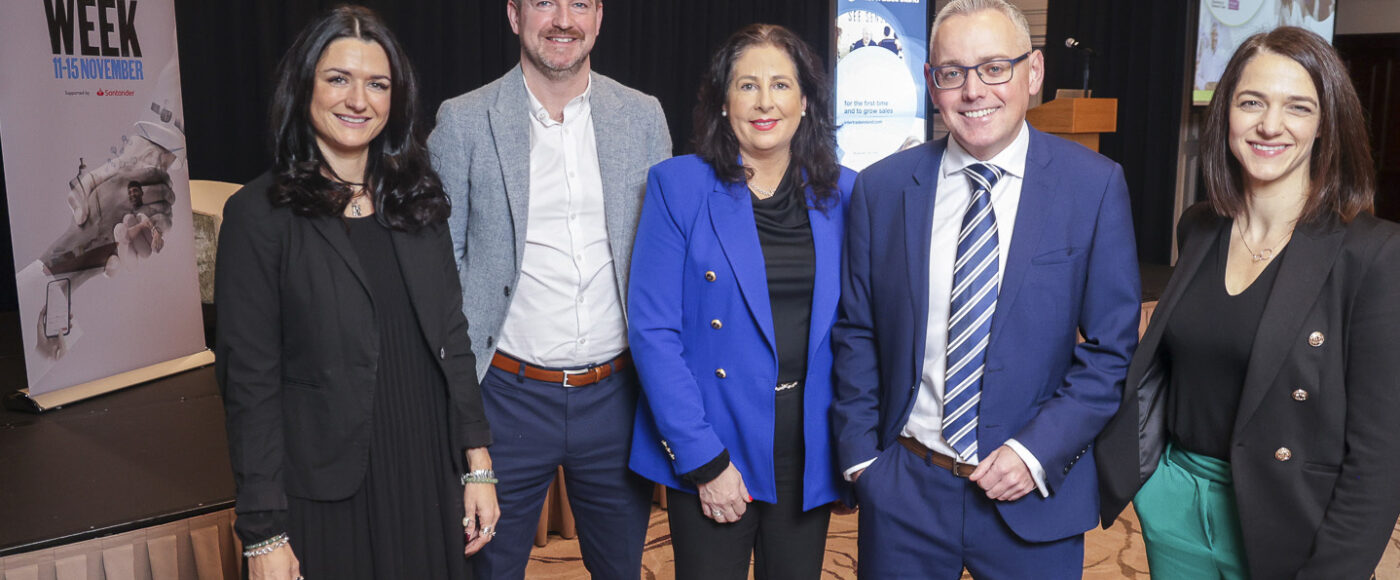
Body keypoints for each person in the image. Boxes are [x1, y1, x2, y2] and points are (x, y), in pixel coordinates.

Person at [830, 0, 1141, 576]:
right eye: (953, 73)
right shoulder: (882, 189)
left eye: (996, 67)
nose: (975, 90)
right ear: (932, 84)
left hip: (1032, 492)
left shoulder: (1093, 187)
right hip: (905, 492)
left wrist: (1035, 453)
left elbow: (1110, 353)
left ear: (1035, 72)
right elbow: (857, 330)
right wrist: (861, 462)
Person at [1096, 26, 1400, 579]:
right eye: (1251, 102)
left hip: (1286, 518)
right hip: (1175, 503)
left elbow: (1380, 458)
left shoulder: (1373, 253)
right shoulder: (1201, 228)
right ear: (1226, 115)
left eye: (1298, 107)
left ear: (1325, 124)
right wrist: (1156, 486)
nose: (1269, 125)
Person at [216, 6, 497, 579]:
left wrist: (477, 464)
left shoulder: (418, 200)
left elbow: (453, 336)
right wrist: (263, 532)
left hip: (426, 475)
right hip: (326, 491)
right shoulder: (258, 216)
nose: (358, 100)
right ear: (305, 87)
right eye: (338, 79)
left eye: (377, 84)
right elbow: (250, 384)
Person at [426, 0, 671, 577]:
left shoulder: (642, 117)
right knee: (488, 570)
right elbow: (440, 273)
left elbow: (665, 259)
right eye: (544, 2)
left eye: (579, 3)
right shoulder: (464, 121)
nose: (563, 19)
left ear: (600, 16)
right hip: (506, 398)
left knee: (621, 568)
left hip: (616, 395)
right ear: (514, 16)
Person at [627, 24, 855, 580]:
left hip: (808, 443)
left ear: (806, 101)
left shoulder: (847, 194)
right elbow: (654, 332)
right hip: (715, 437)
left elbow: (862, 327)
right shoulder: (677, 186)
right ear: (723, 101)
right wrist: (704, 460)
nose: (764, 101)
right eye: (747, 85)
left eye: (781, 84)